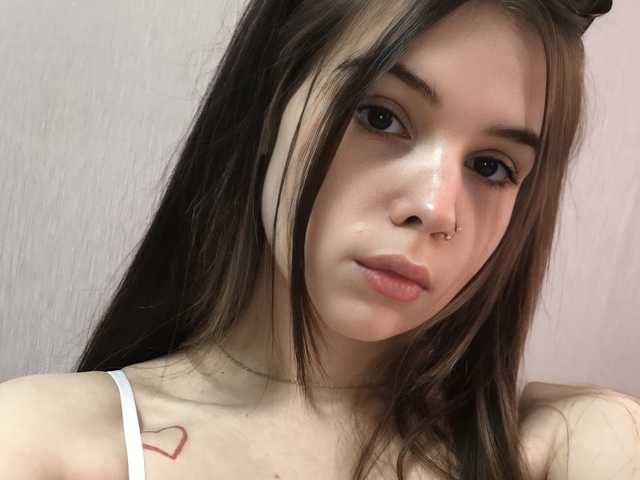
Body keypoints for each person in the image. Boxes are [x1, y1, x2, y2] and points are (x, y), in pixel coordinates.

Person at [2, 0, 637, 479]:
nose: (434, 208)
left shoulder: (547, 456)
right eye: (380, 117)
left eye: (492, 167)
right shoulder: (45, 444)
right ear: (269, 106)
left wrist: (608, 429)